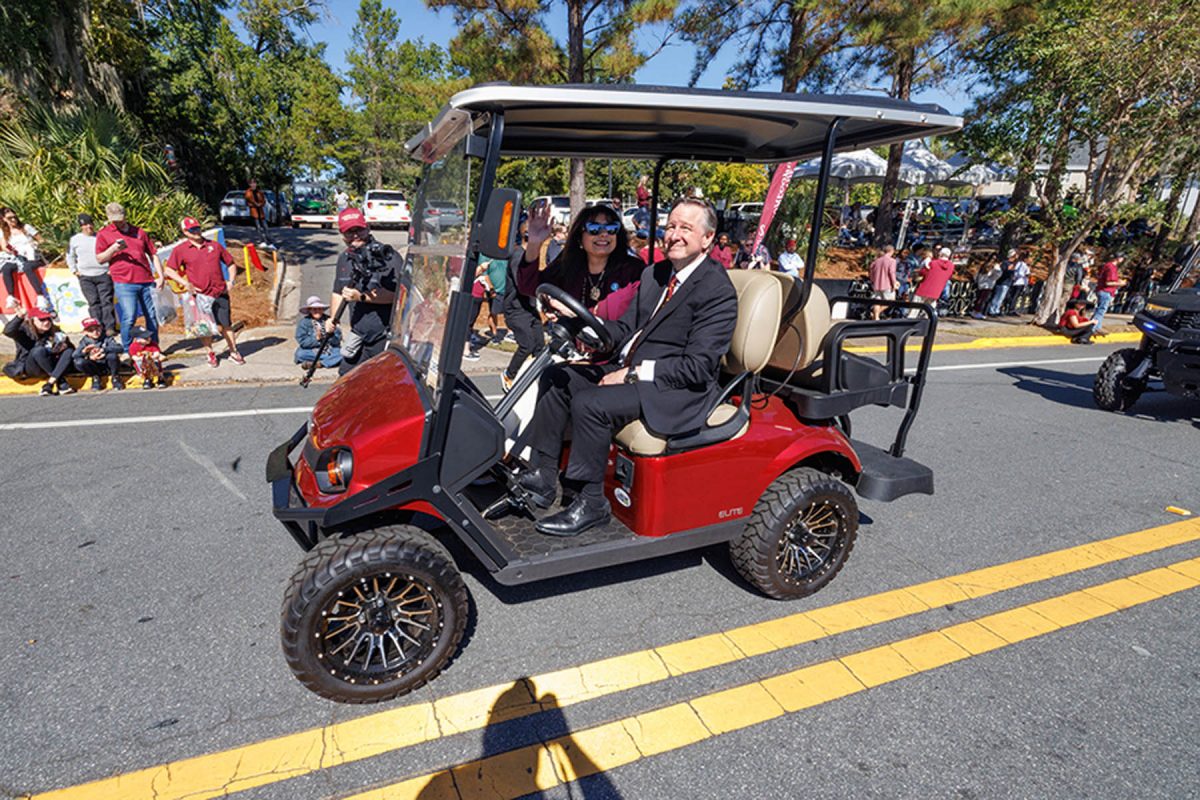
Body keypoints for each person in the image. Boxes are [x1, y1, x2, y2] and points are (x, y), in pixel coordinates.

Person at [517, 197, 738, 537]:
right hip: (635, 372)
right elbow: (625, 328)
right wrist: (588, 332)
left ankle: (592, 503)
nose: (674, 235)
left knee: (590, 403)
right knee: (558, 377)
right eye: (671, 226)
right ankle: (544, 475)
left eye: (686, 228)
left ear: (708, 238)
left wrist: (633, 373)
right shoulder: (657, 274)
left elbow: (697, 366)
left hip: (675, 389)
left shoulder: (716, 290)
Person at [517, 200, 643, 317]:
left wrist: (574, 313)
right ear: (579, 237)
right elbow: (529, 286)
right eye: (594, 229)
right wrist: (534, 242)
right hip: (576, 340)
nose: (604, 234)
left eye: (611, 228)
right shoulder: (568, 265)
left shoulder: (633, 271)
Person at [163, 216, 245, 368]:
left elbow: (230, 263)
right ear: (185, 232)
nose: (196, 232)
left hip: (219, 291)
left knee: (226, 324)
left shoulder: (214, 246)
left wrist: (231, 281)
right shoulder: (181, 250)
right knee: (204, 327)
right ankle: (210, 353)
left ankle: (233, 351)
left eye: (198, 228)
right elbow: (169, 270)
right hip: (200, 295)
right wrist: (185, 283)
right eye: (192, 230)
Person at [328, 207, 399, 375]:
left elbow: (398, 295)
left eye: (358, 229)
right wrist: (332, 318)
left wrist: (361, 297)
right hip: (358, 333)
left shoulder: (387, 256)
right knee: (345, 378)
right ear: (342, 234)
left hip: (384, 335)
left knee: (380, 382)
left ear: (367, 228)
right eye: (349, 231)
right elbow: (338, 291)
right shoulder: (344, 258)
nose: (355, 235)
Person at [95, 202, 165, 350]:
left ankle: (153, 347)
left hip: (146, 280)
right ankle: (128, 349)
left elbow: (153, 254)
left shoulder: (139, 232)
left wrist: (161, 275)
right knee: (129, 316)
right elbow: (100, 258)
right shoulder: (104, 234)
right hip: (124, 282)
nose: (118, 222)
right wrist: (113, 248)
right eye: (114, 220)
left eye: (120, 218)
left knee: (151, 315)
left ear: (125, 216)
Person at [3, 306, 76, 395]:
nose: (46, 323)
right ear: (33, 320)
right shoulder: (24, 329)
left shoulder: (55, 330)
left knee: (68, 351)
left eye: (48, 319)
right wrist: (19, 317)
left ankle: (49, 384)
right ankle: (60, 381)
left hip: (51, 364)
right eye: (42, 320)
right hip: (33, 366)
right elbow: (8, 331)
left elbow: (71, 350)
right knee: (39, 351)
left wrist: (64, 346)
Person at [66, 213, 117, 336]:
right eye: (85, 225)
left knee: (106, 301)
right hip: (85, 276)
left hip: (103, 273)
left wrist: (111, 268)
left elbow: (112, 252)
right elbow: (70, 256)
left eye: (90, 224)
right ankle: (97, 327)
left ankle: (109, 327)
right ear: (81, 226)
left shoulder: (101, 237)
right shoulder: (75, 240)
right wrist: (74, 270)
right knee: (93, 302)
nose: (88, 227)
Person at [0, 207, 53, 312]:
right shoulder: (3, 232)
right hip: (16, 257)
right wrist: (11, 250)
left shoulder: (26, 227)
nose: (13, 220)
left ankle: (40, 296)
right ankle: (11, 296)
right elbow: (4, 246)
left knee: (27, 267)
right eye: (10, 218)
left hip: (32, 256)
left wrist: (34, 245)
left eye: (14, 217)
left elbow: (41, 240)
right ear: (3, 219)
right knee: (7, 268)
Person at [73, 317, 125, 390]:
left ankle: (115, 377)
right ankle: (95, 377)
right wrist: (85, 353)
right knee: (79, 362)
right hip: (94, 366)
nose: (95, 332)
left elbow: (120, 348)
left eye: (97, 329)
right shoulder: (84, 341)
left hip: (107, 365)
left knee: (112, 356)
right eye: (91, 330)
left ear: (101, 328)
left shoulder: (106, 338)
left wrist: (103, 350)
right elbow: (74, 355)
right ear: (85, 332)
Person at [294, 295, 341, 370]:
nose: (317, 311)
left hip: (329, 349)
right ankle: (329, 361)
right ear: (310, 310)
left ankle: (320, 363)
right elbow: (302, 341)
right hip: (312, 350)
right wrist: (316, 338)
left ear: (322, 310)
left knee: (342, 353)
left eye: (319, 309)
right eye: (314, 309)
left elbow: (337, 340)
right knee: (300, 354)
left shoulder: (330, 320)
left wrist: (330, 334)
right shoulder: (304, 322)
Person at [912, 246, 955, 316]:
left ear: (940, 254)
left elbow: (923, 272)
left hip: (923, 290)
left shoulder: (933, 263)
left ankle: (909, 326)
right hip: (936, 292)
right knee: (928, 314)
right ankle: (925, 326)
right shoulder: (951, 266)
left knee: (914, 312)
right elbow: (949, 276)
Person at [1093, 254, 1125, 332]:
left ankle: (1095, 326)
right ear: (1118, 258)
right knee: (1101, 310)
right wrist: (1120, 283)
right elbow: (1108, 283)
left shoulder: (1107, 265)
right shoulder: (1111, 268)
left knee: (1099, 309)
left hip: (1101, 290)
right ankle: (1094, 328)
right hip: (1106, 291)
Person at [986, 249, 1018, 316]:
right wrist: (1009, 269)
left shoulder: (1013, 264)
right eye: (1014, 256)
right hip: (1002, 283)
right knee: (997, 297)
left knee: (1001, 298)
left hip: (1008, 283)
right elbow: (1003, 271)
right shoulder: (1005, 263)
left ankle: (996, 310)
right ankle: (992, 310)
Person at [244, 179, 275, 248]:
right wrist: (255, 204)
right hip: (254, 212)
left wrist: (260, 204)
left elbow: (263, 200)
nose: (253, 185)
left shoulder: (259, 192)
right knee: (258, 227)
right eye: (252, 183)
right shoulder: (248, 192)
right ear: (249, 184)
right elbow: (248, 200)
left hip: (261, 212)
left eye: (254, 183)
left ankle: (269, 241)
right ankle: (262, 241)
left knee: (265, 227)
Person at [1004, 250, 1030, 315]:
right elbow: (1020, 273)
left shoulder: (1021, 264)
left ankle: (1011, 308)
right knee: (1014, 296)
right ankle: (1011, 309)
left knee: (1015, 296)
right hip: (1019, 282)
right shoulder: (1021, 264)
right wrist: (1026, 275)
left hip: (1019, 282)